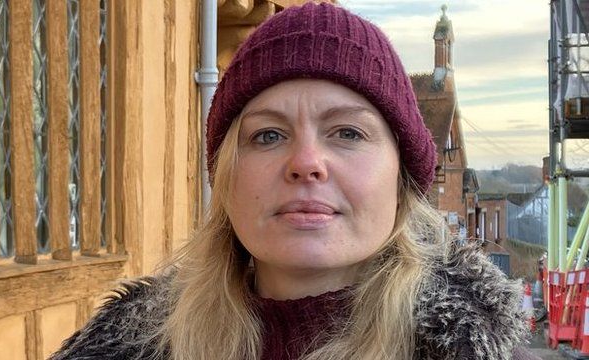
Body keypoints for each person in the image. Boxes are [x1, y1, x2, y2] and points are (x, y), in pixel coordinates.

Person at [50, 2, 539, 359]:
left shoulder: (479, 349)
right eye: (267, 135)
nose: (306, 162)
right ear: (224, 178)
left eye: (347, 132)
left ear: (401, 176)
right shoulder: (129, 346)